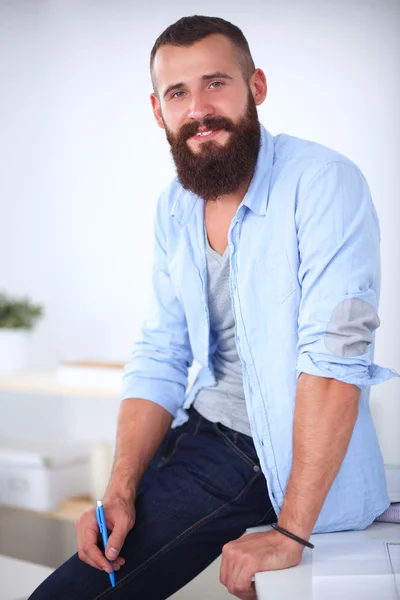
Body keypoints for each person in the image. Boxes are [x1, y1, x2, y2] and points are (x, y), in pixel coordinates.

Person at [29, 15, 398, 600]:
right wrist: (120, 487)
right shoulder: (173, 207)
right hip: (193, 429)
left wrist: (290, 532)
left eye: (216, 83)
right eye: (179, 93)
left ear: (256, 88)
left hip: (255, 452)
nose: (199, 108)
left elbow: (336, 357)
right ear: (159, 111)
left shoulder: (324, 182)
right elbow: (162, 352)